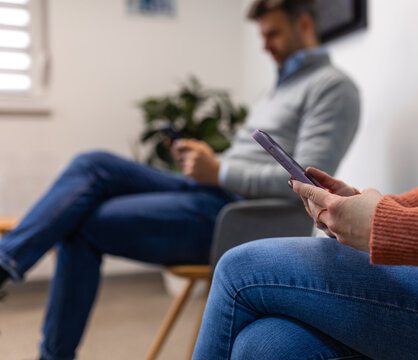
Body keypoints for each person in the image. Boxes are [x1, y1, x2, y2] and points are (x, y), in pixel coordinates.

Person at [0, 1, 360, 359]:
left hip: (236, 216)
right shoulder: (274, 90)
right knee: (92, 163)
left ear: (306, 25)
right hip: (211, 190)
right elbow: (246, 161)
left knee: (79, 222)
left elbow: (310, 181)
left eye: (272, 34)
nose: (264, 45)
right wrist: (207, 161)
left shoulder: (332, 87)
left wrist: (219, 172)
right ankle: (5, 263)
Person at [193, 8, 418, 360]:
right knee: (269, 343)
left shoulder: (330, 86)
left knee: (241, 269)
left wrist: (389, 226)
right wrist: (359, 210)